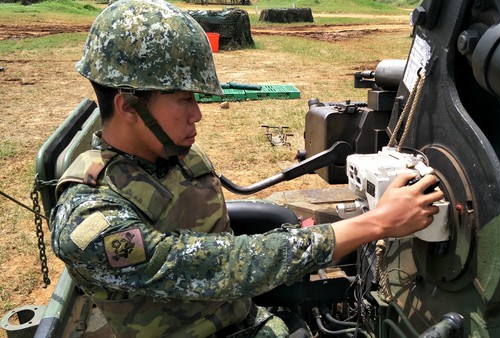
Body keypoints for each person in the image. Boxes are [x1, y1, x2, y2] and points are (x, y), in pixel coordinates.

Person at [49, 0, 444, 337]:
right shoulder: (90, 219)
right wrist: (377, 223)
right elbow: (219, 266)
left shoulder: (170, 154)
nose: (197, 114)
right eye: (184, 99)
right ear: (128, 106)